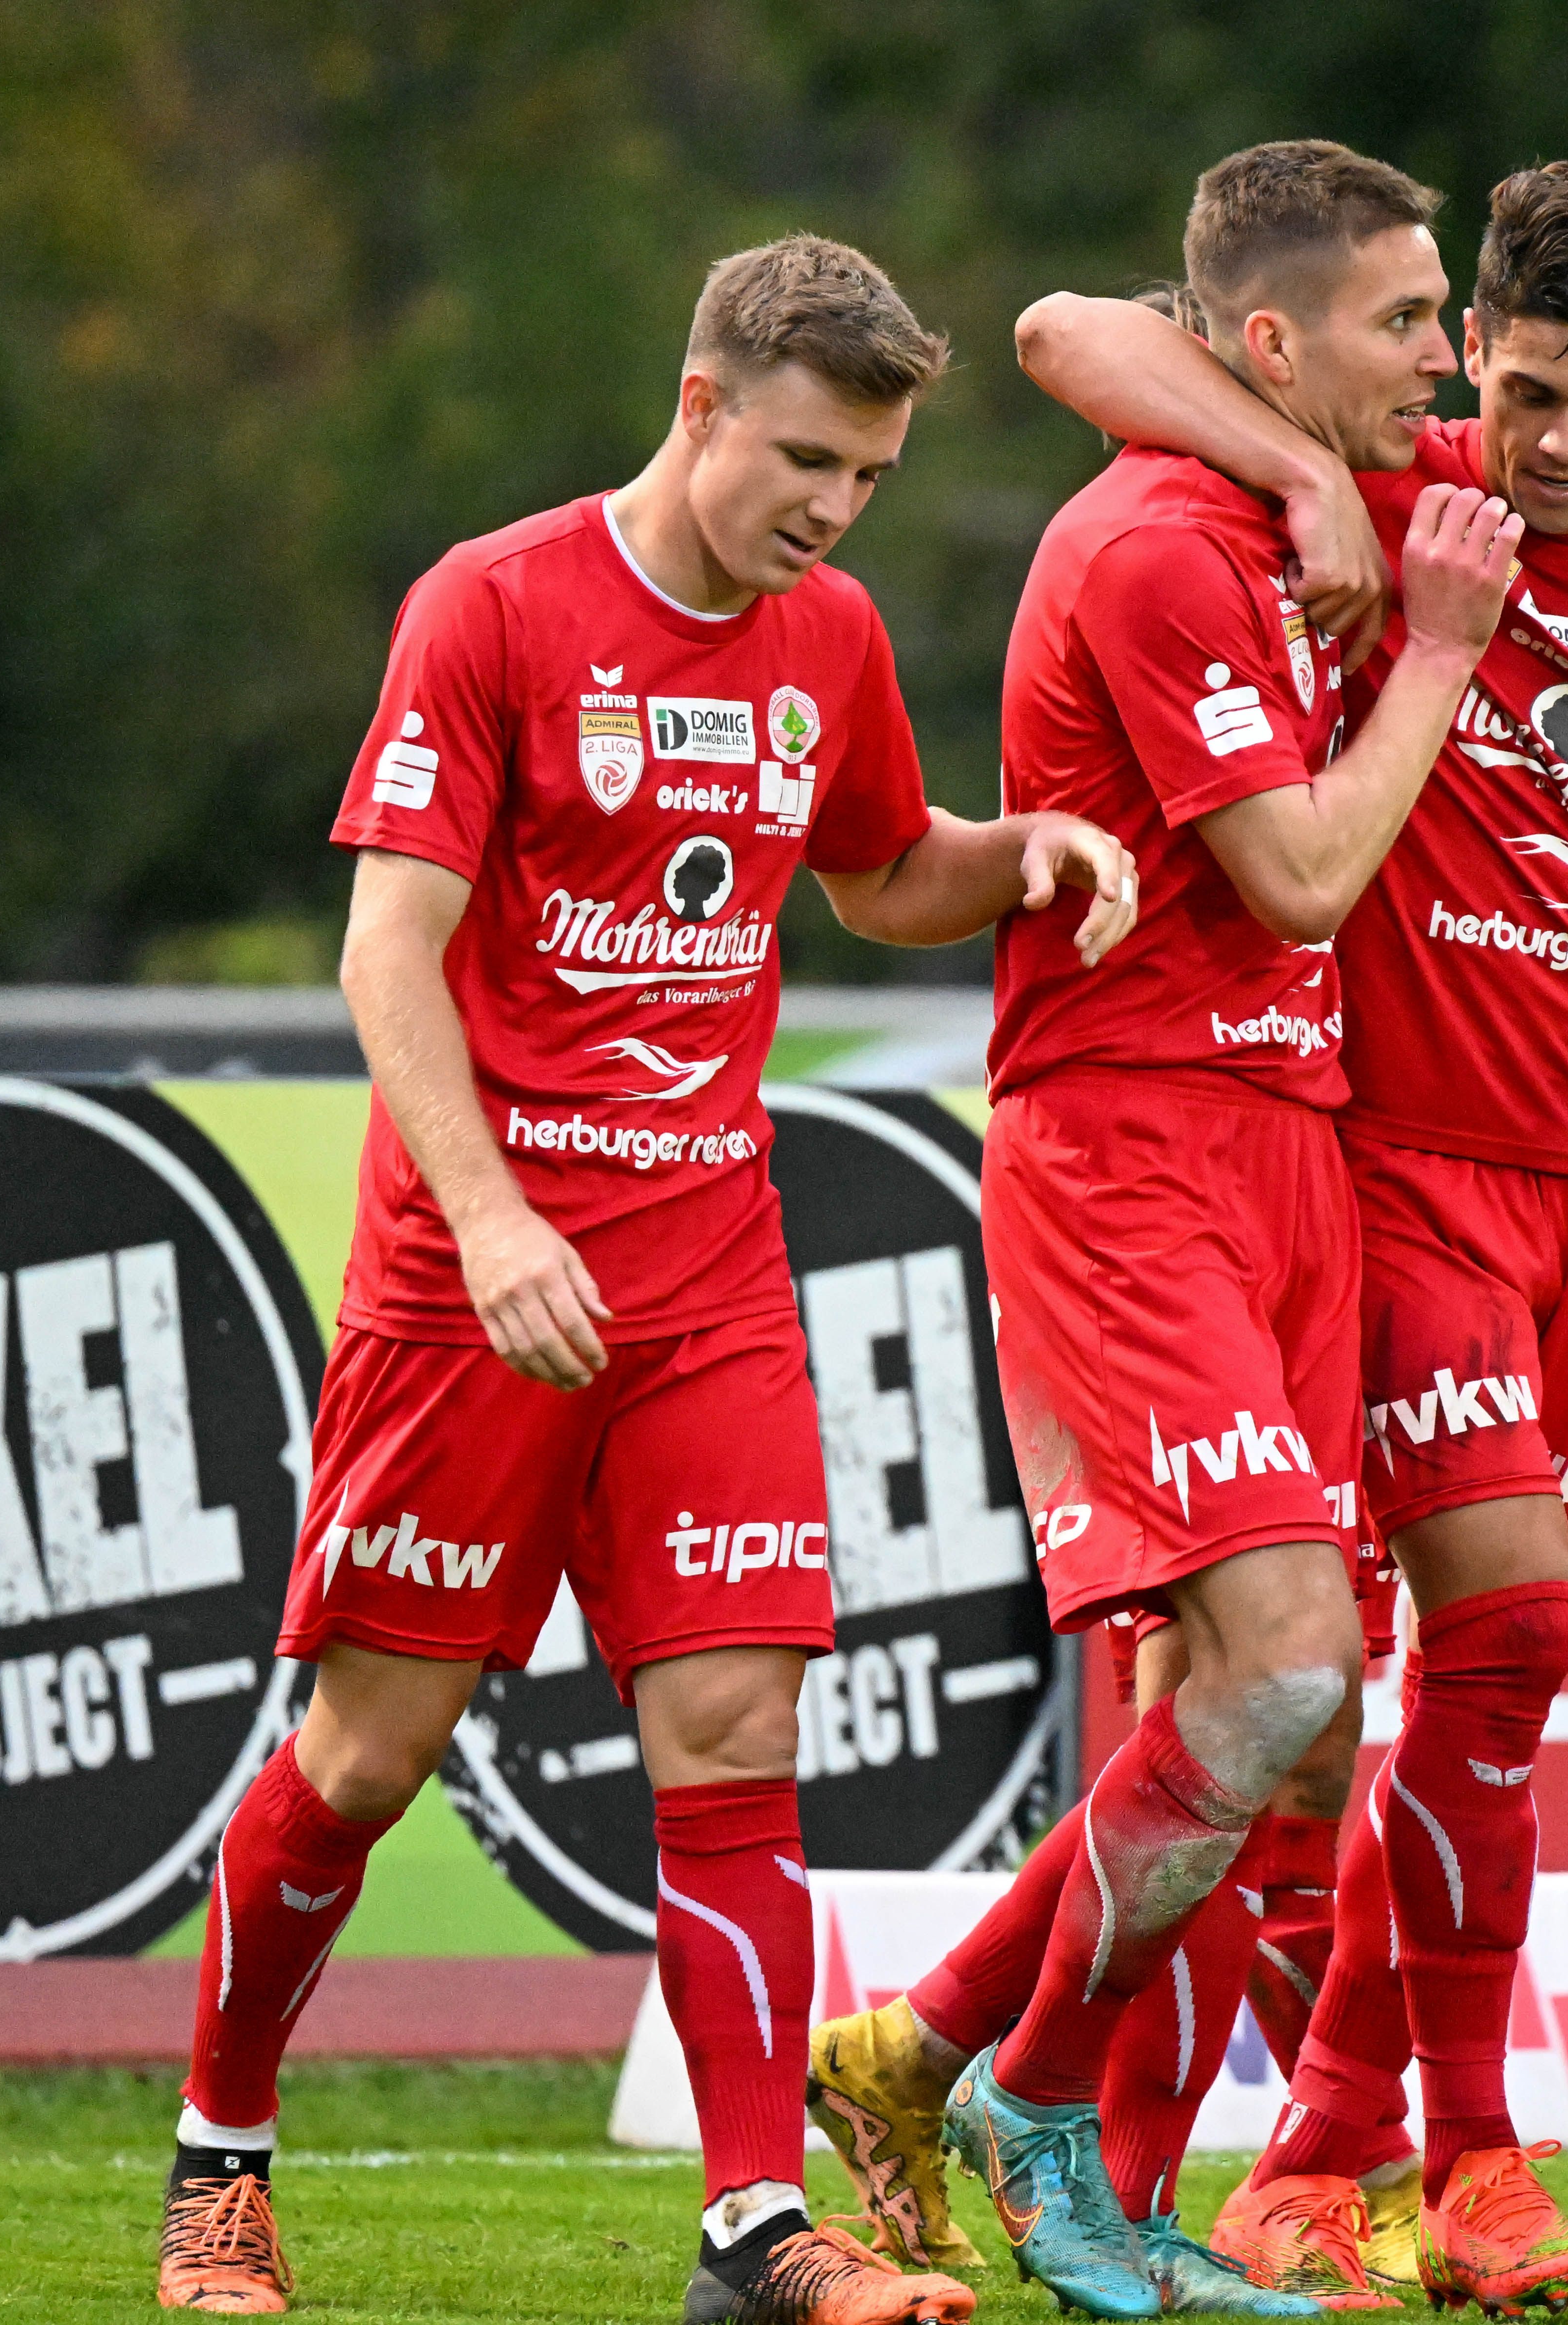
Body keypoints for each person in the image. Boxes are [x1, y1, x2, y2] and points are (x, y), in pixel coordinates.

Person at [154, 235, 1140, 2325]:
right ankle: (219, 2166)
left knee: (734, 1719)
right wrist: (496, 1216)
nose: (827, 508)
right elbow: (385, 950)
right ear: (699, 405)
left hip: (707, 1266)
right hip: (473, 1283)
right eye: (801, 459)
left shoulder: (832, 634)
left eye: (864, 478)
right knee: (363, 1751)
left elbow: (878, 872)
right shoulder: (491, 604)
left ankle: (750, 2227)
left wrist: (1025, 847)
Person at [994, 153, 1568, 2312]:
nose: (1552, 445)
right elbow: (1067, 332)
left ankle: (1322, 2150)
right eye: (1520, 386)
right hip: (1387, 1172)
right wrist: (1306, 472)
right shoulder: (1404, 486)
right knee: (1417, 1643)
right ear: (1470, 341)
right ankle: (1405, 2148)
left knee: (1470, 1688)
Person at [799, 140, 1523, 2322]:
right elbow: (1299, 874)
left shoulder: (1318, 467)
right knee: (1285, 1656)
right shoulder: (1145, 546)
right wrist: (1441, 659)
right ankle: (1031, 2106)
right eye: (1413, 325)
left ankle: (918, 2050)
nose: (1452, 366)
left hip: (1286, 1141)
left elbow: (1102, 332)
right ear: (1283, 346)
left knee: (1289, 1712)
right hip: (1132, 1146)